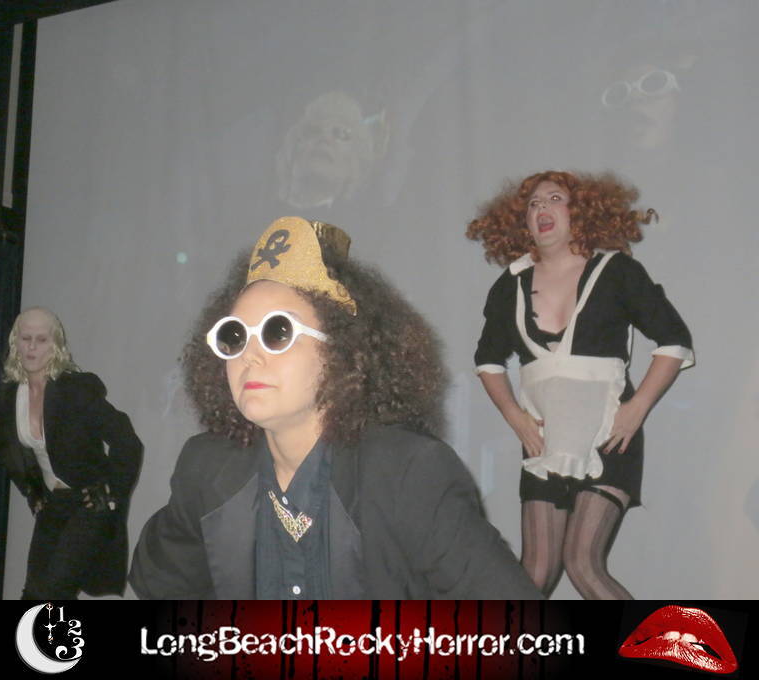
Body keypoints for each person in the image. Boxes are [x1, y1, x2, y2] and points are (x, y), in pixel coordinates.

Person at [130, 216, 540, 599]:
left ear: (342, 350)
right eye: (234, 336)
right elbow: (160, 589)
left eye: (277, 331)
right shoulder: (207, 469)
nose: (249, 356)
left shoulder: (407, 474)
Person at [466, 171, 694, 600]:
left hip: (609, 436)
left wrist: (637, 408)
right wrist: (515, 417)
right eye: (533, 204)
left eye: (555, 198)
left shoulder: (616, 271)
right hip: (544, 443)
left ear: (581, 211)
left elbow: (674, 341)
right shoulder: (509, 285)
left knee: (582, 562)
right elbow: (487, 361)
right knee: (533, 573)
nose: (542, 208)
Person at [0, 307, 142, 599]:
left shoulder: (76, 390)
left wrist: (111, 490)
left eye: (41, 339)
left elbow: (127, 441)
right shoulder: (11, 396)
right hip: (54, 503)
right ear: (15, 342)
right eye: (26, 338)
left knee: (55, 591)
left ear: (55, 345)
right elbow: (10, 450)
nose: (32, 347)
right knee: (33, 592)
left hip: (88, 502)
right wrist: (32, 488)